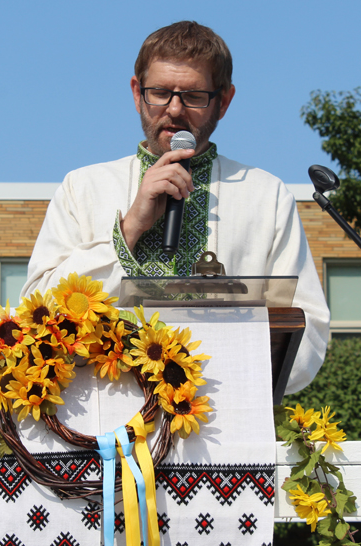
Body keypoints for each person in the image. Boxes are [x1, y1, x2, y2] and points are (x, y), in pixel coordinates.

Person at [21, 21, 330, 394]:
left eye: (195, 96)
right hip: (100, 425)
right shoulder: (83, 187)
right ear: (137, 93)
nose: (175, 109)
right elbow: (36, 316)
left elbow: (307, 329)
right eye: (160, 93)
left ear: (225, 100)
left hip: (223, 425)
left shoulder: (266, 195)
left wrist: (213, 373)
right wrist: (130, 227)